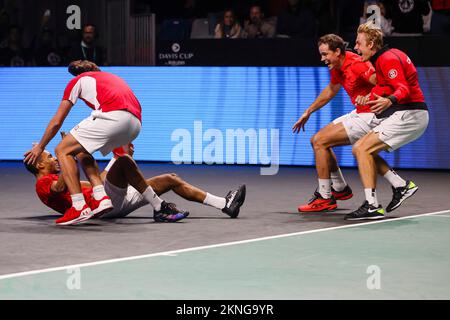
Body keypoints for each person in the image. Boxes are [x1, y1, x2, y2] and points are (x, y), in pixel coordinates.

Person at [293, 34, 411, 214]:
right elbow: (332, 89)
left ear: (338, 51)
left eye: (325, 54)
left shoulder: (357, 64)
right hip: (360, 112)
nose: (322, 59)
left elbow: (382, 81)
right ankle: (343, 188)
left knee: (320, 141)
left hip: (371, 115)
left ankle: (326, 197)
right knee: (320, 141)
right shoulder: (337, 65)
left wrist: (375, 98)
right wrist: (309, 111)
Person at [24, 60, 142, 226]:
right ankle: (101, 196)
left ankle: (79, 206)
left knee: (62, 149)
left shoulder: (76, 81)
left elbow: (57, 122)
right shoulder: (111, 78)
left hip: (113, 116)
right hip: (135, 123)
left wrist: (41, 146)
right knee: (80, 149)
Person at [24, 145, 246, 224]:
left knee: (170, 178)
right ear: (40, 165)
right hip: (104, 208)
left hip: (110, 201)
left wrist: (113, 160)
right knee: (124, 162)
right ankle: (159, 208)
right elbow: (59, 188)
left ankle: (224, 204)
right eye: (50, 157)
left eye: (55, 156)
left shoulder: (67, 181)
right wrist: (68, 155)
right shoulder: (43, 184)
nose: (55, 159)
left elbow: (98, 183)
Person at [347, 22, 429, 220]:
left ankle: (372, 205)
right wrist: (369, 97)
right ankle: (401, 186)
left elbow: (402, 88)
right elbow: (386, 86)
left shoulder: (387, 58)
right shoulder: (386, 56)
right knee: (365, 150)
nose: (356, 48)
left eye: (359, 44)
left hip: (411, 114)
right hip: (409, 113)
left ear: (372, 44)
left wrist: (389, 100)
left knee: (361, 149)